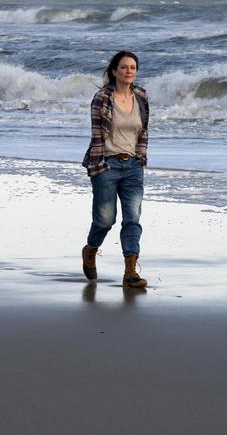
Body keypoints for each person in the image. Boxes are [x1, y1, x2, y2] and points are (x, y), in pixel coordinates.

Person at [81, 50, 149, 288]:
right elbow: (96, 135)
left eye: (133, 67)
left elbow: (143, 131)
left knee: (133, 219)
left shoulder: (141, 95)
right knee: (105, 220)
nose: (129, 71)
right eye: (124, 67)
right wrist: (98, 166)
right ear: (114, 71)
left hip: (133, 167)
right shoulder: (102, 98)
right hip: (107, 165)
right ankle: (90, 250)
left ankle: (130, 272)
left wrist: (140, 158)